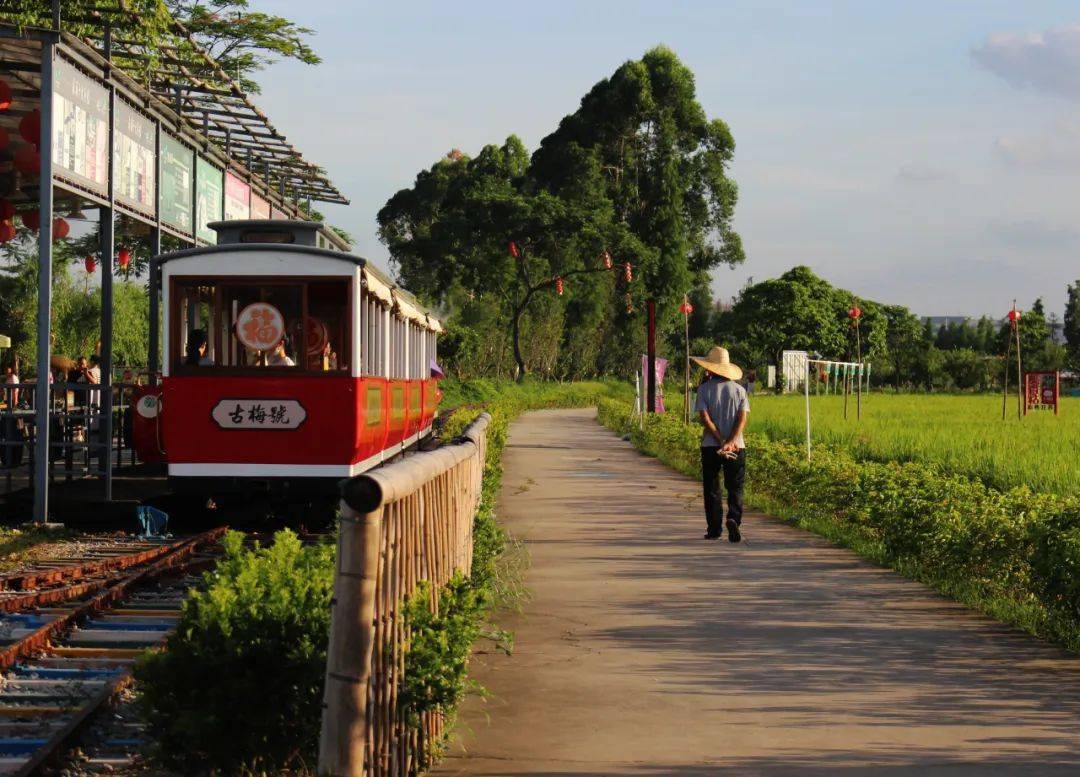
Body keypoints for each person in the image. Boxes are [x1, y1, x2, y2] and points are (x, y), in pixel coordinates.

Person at [692, 345, 749, 543]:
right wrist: (731, 441)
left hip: (710, 446)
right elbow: (742, 419)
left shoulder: (704, 389)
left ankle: (714, 529)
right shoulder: (740, 390)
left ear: (710, 368)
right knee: (735, 487)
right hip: (737, 447)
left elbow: (705, 418)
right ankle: (733, 518)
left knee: (712, 488)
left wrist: (720, 441)